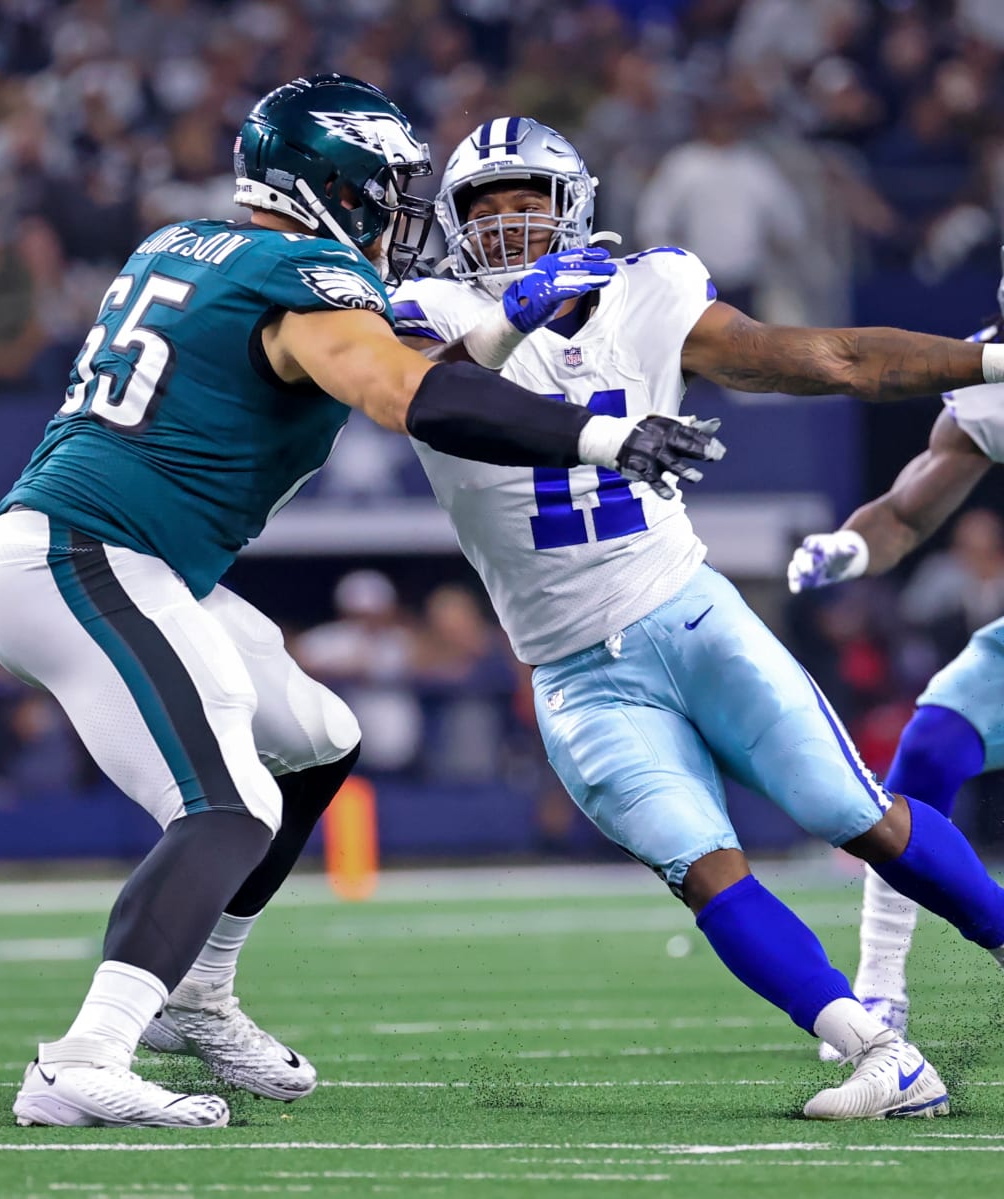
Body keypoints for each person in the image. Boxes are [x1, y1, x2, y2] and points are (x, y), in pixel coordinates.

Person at [0, 75, 725, 1131]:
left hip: (117, 556)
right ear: (334, 185)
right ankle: (83, 1057)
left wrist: (501, 325)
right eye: (387, 190)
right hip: (88, 557)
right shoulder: (304, 270)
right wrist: (601, 434)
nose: (398, 213)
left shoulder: (185, 246)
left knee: (320, 738)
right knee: (229, 802)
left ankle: (199, 991)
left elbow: (400, 365)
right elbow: (407, 394)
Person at [383, 116, 1004, 1121]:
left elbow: (822, 356)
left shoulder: (650, 288)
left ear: (573, 205)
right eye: (482, 207)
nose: (504, 224)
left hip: (689, 613)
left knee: (853, 814)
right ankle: (879, 1055)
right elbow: (422, 393)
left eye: (524, 200)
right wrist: (504, 327)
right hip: (573, 667)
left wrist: (988, 366)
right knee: (703, 868)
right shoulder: (428, 308)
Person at [788, 265, 1004, 1056]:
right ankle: (880, 985)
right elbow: (909, 511)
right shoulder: (992, 378)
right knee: (929, 748)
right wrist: (851, 544)